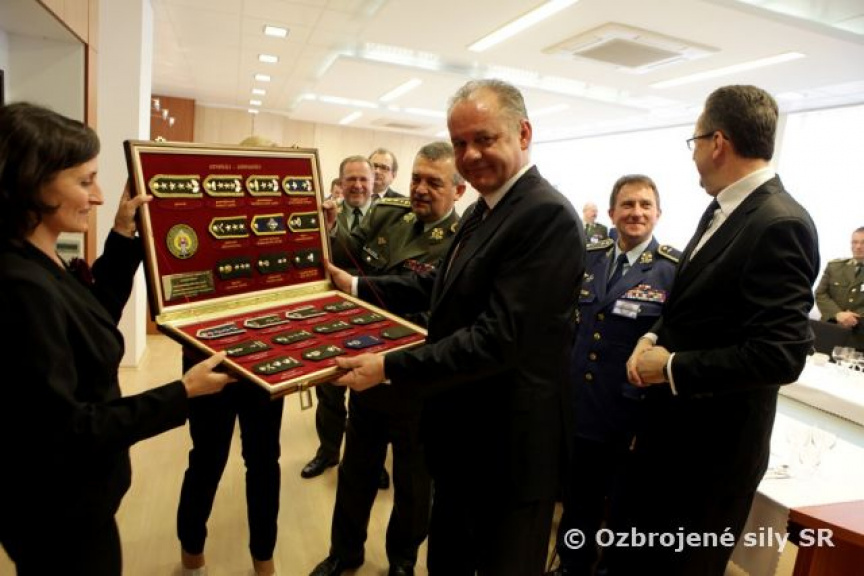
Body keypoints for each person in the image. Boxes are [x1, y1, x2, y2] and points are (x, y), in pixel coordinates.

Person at [327, 79, 586, 576]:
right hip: (463, 442)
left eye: (484, 139)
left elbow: (498, 339)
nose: (470, 155)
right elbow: (440, 287)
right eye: (460, 142)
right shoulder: (486, 210)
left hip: (508, 456)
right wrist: (356, 284)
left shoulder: (545, 216)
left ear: (523, 133)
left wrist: (388, 367)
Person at [0, 102, 232, 575]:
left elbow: (92, 321)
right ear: (33, 183)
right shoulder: (20, 287)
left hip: (77, 506)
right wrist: (182, 392)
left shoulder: (37, 260)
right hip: (58, 515)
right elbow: (68, 430)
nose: (100, 196)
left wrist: (124, 234)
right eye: (85, 181)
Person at [616, 85, 820, 576]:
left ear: (718, 143)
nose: (694, 156)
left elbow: (780, 355)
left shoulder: (779, 222)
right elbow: (694, 304)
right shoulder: (724, 209)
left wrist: (671, 367)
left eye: (695, 142)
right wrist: (652, 336)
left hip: (710, 459)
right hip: (672, 442)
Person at [310, 141, 464, 576]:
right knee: (355, 472)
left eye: (434, 182)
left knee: (413, 485)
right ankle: (344, 553)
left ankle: (402, 561)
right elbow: (347, 260)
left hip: (415, 381)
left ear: (459, 190)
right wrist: (328, 228)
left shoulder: (463, 242)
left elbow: (440, 318)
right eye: (416, 178)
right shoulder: (388, 215)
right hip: (365, 371)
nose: (420, 189)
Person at [550, 175, 679, 576]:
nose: (636, 212)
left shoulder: (672, 270)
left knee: (625, 509)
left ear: (658, 213)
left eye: (645, 205)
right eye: (627, 204)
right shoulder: (589, 257)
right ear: (611, 213)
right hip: (582, 407)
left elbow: (673, 335)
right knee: (579, 500)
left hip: (632, 415)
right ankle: (572, 565)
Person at [176, 135, 286, 576]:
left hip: (267, 361)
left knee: (264, 463)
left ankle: (264, 559)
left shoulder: (286, 225)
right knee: (207, 459)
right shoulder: (201, 221)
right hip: (209, 362)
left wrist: (323, 231)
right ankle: (192, 553)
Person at [301, 156, 390, 489]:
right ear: (339, 182)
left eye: (364, 180)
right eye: (351, 179)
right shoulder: (322, 215)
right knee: (330, 394)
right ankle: (328, 452)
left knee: (372, 399)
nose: (358, 185)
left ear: (374, 183)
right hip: (329, 319)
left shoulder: (389, 218)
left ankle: (372, 461)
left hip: (373, 320)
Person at [814, 226, 864, 349]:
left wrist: (855, 318)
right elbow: (820, 293)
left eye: (863, 243)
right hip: (831, 329)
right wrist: (837, 314)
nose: (858, 246)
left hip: (860, 336)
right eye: (854, 242)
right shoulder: (835, 267)